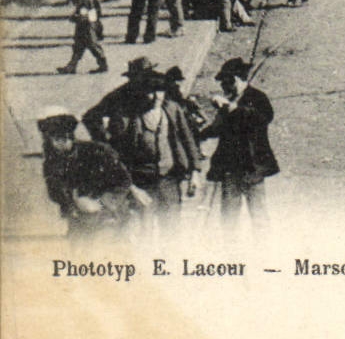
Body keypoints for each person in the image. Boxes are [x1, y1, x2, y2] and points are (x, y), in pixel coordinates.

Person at [98, 67, 201, 231]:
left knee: (171, 230)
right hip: (142, 183)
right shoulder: (127, 118)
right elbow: (117, 156)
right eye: (150, 92)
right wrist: (132, 188)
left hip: (169, 180)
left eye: (160, 92)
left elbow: (188, 140)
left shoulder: (172, 110)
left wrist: (195, 172)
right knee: (143, 231)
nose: (156, 97)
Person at [37, 107, 146, 244]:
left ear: (71, 137)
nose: (60, 144)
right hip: (80, 218)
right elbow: (54, 190)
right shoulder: (51, 162)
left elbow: (123, 181)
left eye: (63, 138)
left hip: (111, 215)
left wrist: (101, 202)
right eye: (55, 140)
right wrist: (74, 200)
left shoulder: (98, 151)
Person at [203, 58, 279, 229]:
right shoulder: (229, 101)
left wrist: (237, 109)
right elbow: (217, 129)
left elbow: (265, 118)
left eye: (226, 83)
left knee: (259, 215)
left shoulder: (258, 97)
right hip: (231, 168)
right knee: (229, 217)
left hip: (253, 167)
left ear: (236, 80)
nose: (224, 88)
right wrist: (200, 133)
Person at [58, 0, 108, 74]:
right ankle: (72, 66)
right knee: (78, 47)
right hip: (87, 25)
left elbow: (87, 14)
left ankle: (102, 64)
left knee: (92, 45)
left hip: (87, 26)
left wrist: (76, 17)